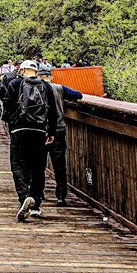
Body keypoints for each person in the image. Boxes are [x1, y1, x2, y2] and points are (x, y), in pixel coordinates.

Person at [0, 59, 58, 221]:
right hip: (39, 131)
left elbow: (6, 107)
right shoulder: (46, 87)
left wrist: (13, 122)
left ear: (23, 70)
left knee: (18, 164)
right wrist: (51, 131)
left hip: (19, 130)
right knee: (38, 167)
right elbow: (52, 111)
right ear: (36, 71)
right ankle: (36, 205)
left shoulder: (15, 84)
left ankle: (23, 197)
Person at [38, 67, 83, 206]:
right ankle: (61, 196)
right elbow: (78, 95)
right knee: (59, 165)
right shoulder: (59, 88)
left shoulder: (36, 89)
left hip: (40, 131)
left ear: (38, 76)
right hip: (58, 130)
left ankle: (39, 193)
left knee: (39, 164)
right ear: (50, 77)